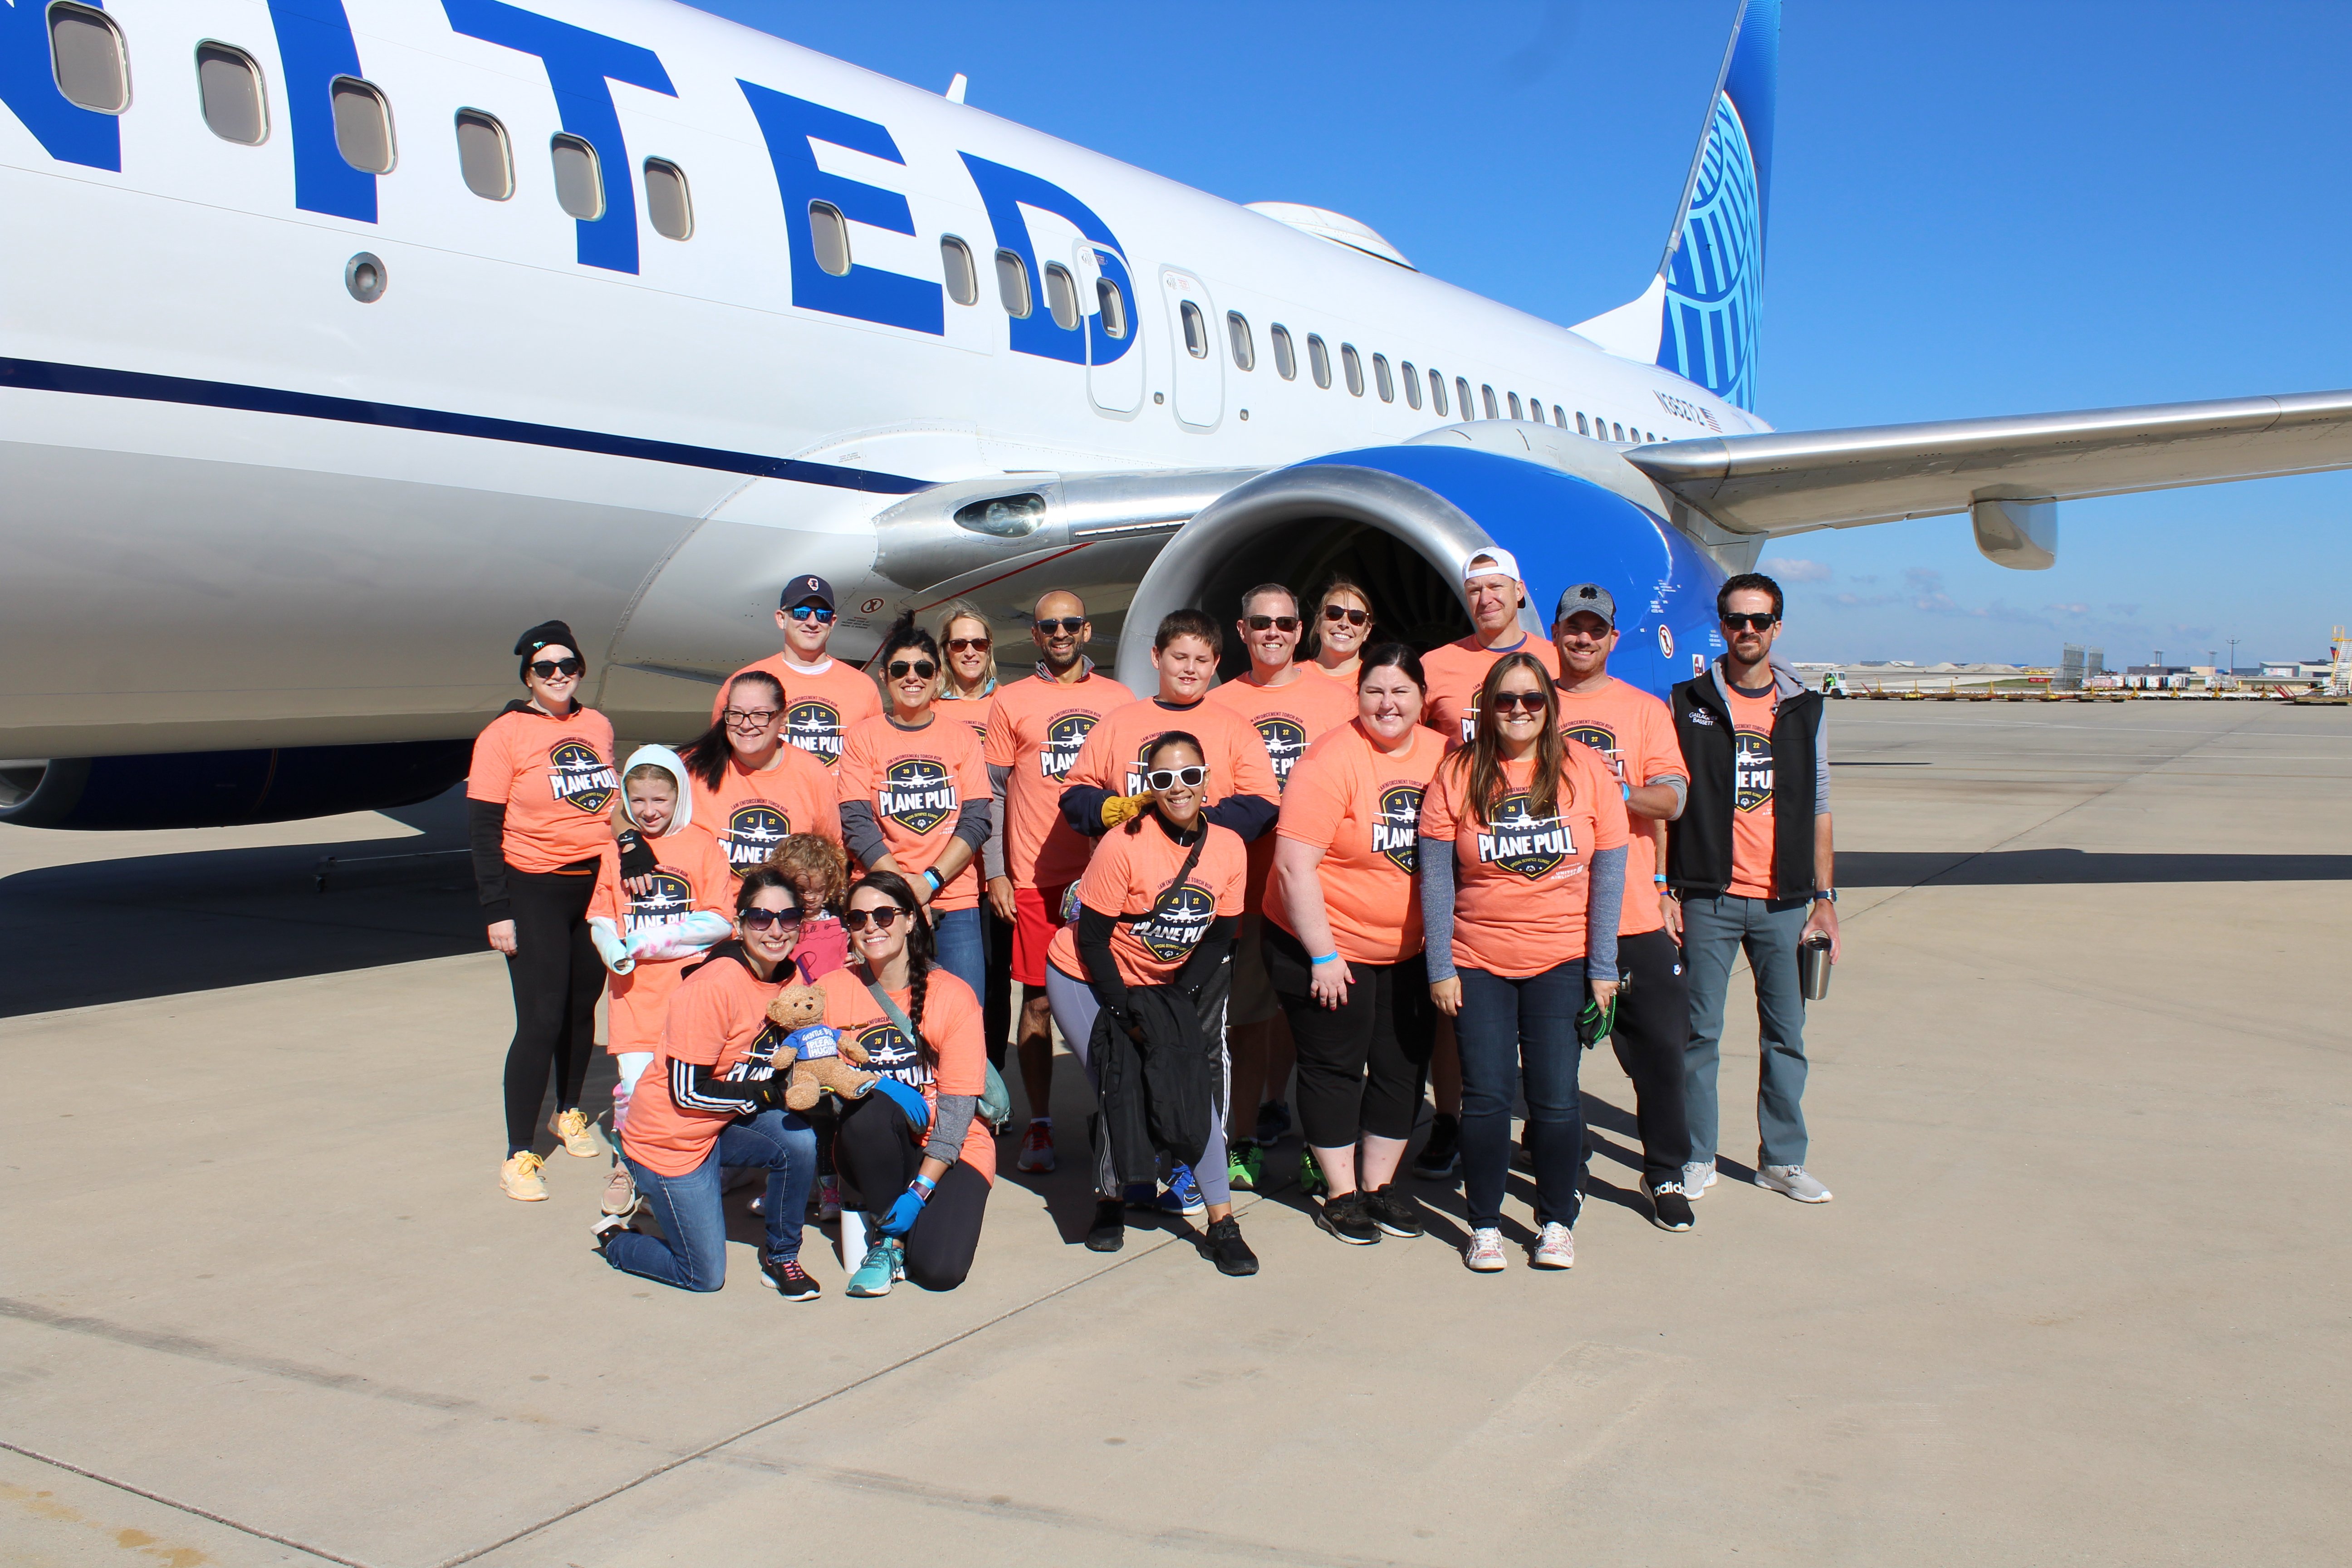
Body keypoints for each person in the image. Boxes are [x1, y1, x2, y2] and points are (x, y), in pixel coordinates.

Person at [1059, 609, 1279, 1214]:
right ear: (1156, 658)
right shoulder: (1120, 722)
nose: (1190, 669)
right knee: (1128, 1049)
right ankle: (1138, 1158)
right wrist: (1113, 809)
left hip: (1198, 922)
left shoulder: (1233, 727)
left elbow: (1262, 807)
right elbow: (1075, 798)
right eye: (1179, 657)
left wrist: (1179, 819)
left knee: (1205, 1048)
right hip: (1125, 922)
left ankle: (1196, 1162)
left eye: (1202, 659)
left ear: (1216, 665)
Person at [1418, 653, 1627, 1272]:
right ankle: (1483, 1222)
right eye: (1506, 700)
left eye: (1531, 700)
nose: (1518, 711)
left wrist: (1604, 966)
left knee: (1556, 1097)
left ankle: (1556, 1219)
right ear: (1487, 707)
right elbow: (1435, 879)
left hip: (1561, 959)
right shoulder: (1457, 773)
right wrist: (1440, 966)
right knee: (1485, 1097)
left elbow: (1609, 875)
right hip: (1477, 959)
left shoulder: (1584, 771)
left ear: (1550, 707)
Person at [1044, 733, 1257, 1275]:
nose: (1178, 788)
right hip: (1088, 975)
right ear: (1149, 786)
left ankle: (1222, 1221)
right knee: (1121, 1080)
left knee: (1188, 1087)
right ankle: (1111, 1200)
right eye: (1163, 779)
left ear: (1207, 781)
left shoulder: (1230, 847)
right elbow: (1091, 940)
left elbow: (1221, 934)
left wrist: (1177, 1002)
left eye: (1189, 776)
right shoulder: (1125, 842)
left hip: (1168, 981)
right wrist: (1125, 1015)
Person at [1666, 572, 1841, 1205]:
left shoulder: (1805, 707)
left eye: (1759, 621)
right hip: (1708, 897)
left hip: (1785, 901)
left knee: (1785, 1036)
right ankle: (1694, 1155)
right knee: (1699, 1035)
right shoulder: (1686, 702)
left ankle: (1783, 1160)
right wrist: (1667, 888)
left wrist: (1827, 899)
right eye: (1736, 620)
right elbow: (1670, 800)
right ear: (1722, 626)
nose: (1747, 631)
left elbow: (1820, 806)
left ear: (1777, 628)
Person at [1266, 644, 1445, 1245]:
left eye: (1401, 692)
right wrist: (1322, 953)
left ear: (1423, 699)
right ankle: (1340, 1194)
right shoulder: (1332, 757)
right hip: (1324, 941)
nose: (1387, 704)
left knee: (1401, 1066)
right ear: (1358, 696)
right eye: (1375, 691)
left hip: (1411, 948)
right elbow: (1294, 867)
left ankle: (1381, 1187)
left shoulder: (1446, 757)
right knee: (1335, 1066)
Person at [595, 867, 821, 1298]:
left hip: (721, 1124)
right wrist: (767, 1094)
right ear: (739, 924)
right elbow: (686, 1092)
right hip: (670, 1137)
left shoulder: (792, 980)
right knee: (703, 1275)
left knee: (799, 1141)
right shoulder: (713, 986)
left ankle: (782, 1256)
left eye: (788, 918)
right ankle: (617, 1240)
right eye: (760, 918)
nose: (775, 929)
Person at [1550, 584, 1697, 1232]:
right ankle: (1566, 1164)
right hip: (1554, 917)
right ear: (1554, 632)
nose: (1583, 639)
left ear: (1613, 639)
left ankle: (1664, 1169)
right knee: (1556, 1059)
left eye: (1595, 630)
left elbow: (1673, 801)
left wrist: (1616, 789)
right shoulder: (1528, 703)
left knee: (1662, 1054)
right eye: (1572, 628)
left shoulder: (1642, 712)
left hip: (1634, 914)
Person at [1414, 548, 1562, 1183]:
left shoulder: (1554, 662)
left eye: (1496, 588)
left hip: (1539, 853)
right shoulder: (1437, 665)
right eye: (1475, 590)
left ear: (1520, 592)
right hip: (1460, 848)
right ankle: (1451, 1120)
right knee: (1460, 1014)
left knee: (1543, 1015)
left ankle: (1543, 1124)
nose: (1485, 599)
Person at [1205, 583, 1356, 1193]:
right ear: (1241, 631)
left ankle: (1322, 1144)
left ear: (1301, 631)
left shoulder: (1337, 700)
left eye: (1286, 623)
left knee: (1322, 1026)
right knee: (1246, 1021)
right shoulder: (1216, 704)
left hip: (1320, 892)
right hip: (1243, 890)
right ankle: (1242, 1139)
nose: (1274, 632)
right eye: (1260, 623)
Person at [981, 591, 1136, 1175]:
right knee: (1039, 1001)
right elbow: (994, 793)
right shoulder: (1011, 701)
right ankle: (1041, 1122)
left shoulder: (1118, 699)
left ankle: (1115, 1110)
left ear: (1088, 631)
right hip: (1035, 879)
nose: (1061, 633)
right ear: (1038, 635)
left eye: (1071, 623)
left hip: (1107, 875)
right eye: (1050, 625)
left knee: (1116, 999)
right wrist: (997, 869)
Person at [467, 620, 619, 1202]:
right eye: (545, 669)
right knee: (540, 1017)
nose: (559, 676)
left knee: (584, 1006)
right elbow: (483, 830)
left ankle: (570, 1110)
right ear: (528, 676)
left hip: (595, 885)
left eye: (568, 665)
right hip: (534, 885)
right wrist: (497, 908)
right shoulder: (503, 735)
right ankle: (519, 1153)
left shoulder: (596, 724)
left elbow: (607, 806)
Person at [822, 872, 995, 1295]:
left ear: (911, 920)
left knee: (939, 1272)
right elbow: (813, 1070)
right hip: (874, 1142)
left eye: (884, 914)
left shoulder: (952, 995)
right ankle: (887, 1242)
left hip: (951, 1146)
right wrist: (875, 1086)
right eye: (858, 918)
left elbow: (956, 1112)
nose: (872, 927)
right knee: (870, 1109)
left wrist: (921, 1190)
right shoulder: (831, 989)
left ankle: (902, 1224)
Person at [585, 746, 736, 1220]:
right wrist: (611, 946)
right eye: (639, 801)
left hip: (690, 995)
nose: (650, 811)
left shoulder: (702, 846)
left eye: (661, 800)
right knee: (635, 1090)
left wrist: (651, 942)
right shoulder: (617, 851)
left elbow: (719, 921)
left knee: (685, 1091)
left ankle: (688, 1171)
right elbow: (601, 916)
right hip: (633, 998)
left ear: (680, 797)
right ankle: (628, 1168)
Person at [836, 616, 991, 1002]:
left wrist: (929, 882)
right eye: (900, 669)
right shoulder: (863, 737)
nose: (913, 677)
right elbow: (857, 823)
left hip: (952, 901)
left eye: (923, 668)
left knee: (964, 1012)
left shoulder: (963, 738)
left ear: (938, 677)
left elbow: (977, 821)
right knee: (886, 1018)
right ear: (885, 678)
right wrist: (904, 892)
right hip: (881, 906)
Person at [933, 600, 1013, 1096]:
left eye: (978, 642)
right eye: (958, 643)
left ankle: (990, 1089)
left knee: (995, 986)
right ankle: (947, 1085)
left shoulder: (1006, 704)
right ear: (945, 651)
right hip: (948, 871)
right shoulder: (930, 709)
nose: (969, 652)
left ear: (990, 649)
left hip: (999, 870)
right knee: (945, 988)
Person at [765, 830, 854, 1222]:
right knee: (794, 1117)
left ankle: (831, 1188)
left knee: (828, 1116)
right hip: (792, 1037)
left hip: (832, 1036)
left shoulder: (841, 924)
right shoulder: (780, 926)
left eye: (820, 889)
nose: (812, 897)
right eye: (803, 888)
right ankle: (792, 1189)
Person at [679, 671, 842, 878]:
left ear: (783, 719)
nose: (746, 725)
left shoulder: (812, 774)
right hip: (713, 907)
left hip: (788, 908)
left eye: (759, 715)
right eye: (736, 714)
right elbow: (630, 808)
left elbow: (831, 853)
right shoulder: (691, 766)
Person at [715, 574, 882, 769]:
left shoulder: (863, 686)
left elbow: (876, 759)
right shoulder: (746, 683)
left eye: (823, 615)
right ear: (781, 619)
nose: (812, 622)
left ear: (833, 622)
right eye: (802, 613)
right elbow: (720, 757)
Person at [1306, 574, 1377, 685]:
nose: (1344, 623)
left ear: (1367, 631)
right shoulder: (1291, 677)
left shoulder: (1378, 682)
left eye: (1357, 617)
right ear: (1318, 623)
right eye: (1334, 613)